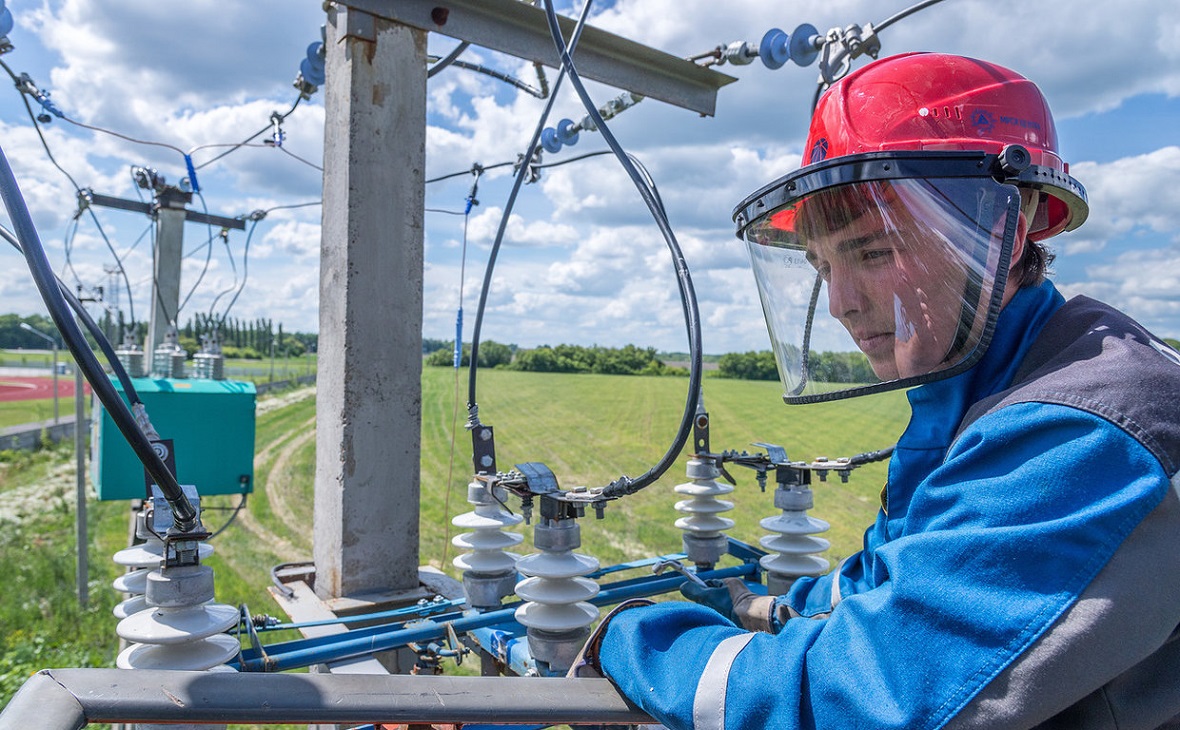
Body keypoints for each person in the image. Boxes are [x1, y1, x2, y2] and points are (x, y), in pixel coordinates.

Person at [591, 52, 1180, 729]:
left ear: (1003, 230)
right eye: (822, 265)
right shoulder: (989, 392)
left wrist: (632, 638)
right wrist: (774, 607)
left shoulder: (1081, 432)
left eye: (872, 252)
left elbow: (857, 703)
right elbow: (889, 580)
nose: (840, 302)